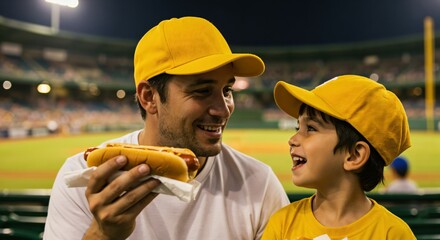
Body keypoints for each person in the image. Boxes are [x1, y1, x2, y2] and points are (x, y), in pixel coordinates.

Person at [44, 16, 289, 240]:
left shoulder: (260, 184)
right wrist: (102, 234)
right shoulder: (83, 177)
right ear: (149, 97)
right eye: (202, 91)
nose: (223, 110)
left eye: (227, 91)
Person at [262, 75, 416, 239]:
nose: (292, 140)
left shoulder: (393, 234)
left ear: (354, 156)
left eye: (311, 128)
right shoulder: (283, 223)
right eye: (298, 127)